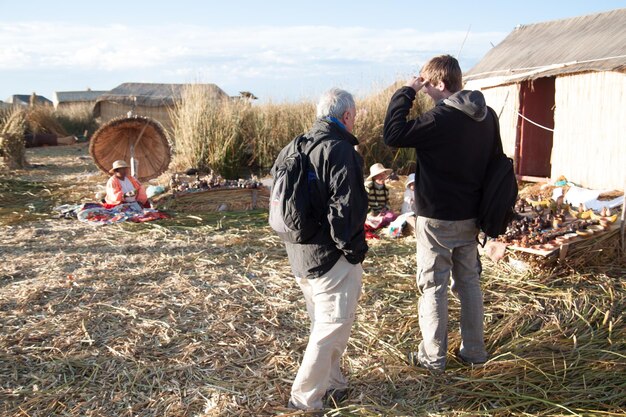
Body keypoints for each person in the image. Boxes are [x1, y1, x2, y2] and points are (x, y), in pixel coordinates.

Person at [383, 54, 495, 371]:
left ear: (442, 84)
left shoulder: (438, 120)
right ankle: (474, 352)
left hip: (437, 220)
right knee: (469, 283)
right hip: (472, 216)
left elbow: (392, 134)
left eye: (428, 86)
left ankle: (433, 358)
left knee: (434, 287)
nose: (426, 92)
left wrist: (407, 91)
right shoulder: (487, 117)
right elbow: (495, 163)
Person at [272, 88, 368, 412]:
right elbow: (346, 211)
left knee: (325, 324)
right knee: (331, 327)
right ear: (346, 116)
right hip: (330, 258)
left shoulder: (293, 146)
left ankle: (334, 383)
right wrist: (352, 251)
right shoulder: (340, 151)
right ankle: (305, 399)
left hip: (299, 256)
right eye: (354, 117)